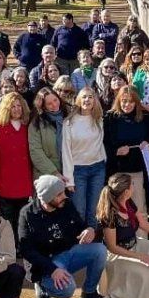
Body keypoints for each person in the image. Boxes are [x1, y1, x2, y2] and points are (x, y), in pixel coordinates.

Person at [19, 174, 107, 298]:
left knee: (100, 250)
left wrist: (88, 229)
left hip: (67, 253)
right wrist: (52, 269)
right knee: (67, 290)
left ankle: (89, 293)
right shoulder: (28, 214)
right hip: (46, 262)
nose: (64, 196)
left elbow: (79, 225)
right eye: (59, 194)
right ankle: (43, 286)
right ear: (47, 197)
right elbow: (26, 250)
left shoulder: (66, 204)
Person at [0, 92, 34, 243]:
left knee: (22, 217)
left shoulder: (28, 127)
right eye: (13, 106)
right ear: (6, 108)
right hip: (5, 183)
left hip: (24, 182)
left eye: (19, 106)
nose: (17, 109)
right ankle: (8, 246)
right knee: (7, 219)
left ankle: (20, 245)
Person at [104, 85, 149, 212]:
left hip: (137, 170)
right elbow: (104, 144)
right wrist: (116, 151)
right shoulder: (110, 118)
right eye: (124, 101)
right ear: (119, 101)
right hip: (117, 171)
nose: (127, 104)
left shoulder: (146, 117)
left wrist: (147, 143)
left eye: (131, 101)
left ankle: (141, 233)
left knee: (139, 208)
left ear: (136, 102)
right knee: (117, 208)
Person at [61, 87, 106, 227]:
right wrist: (69, 180)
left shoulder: (98, 119)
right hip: (78, 170)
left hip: (97, 169)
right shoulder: (69, 122)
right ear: (79, 100)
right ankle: (78, 244)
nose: (87, 100)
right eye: (84, 97)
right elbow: (66, 151)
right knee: (79, 210)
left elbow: (100, 143)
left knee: (94, 210)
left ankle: (92, 242)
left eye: (90, 97)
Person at [29, 87, 67, 179]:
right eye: (49, 104)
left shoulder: (69, 116)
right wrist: (54, 172)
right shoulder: (36, 123)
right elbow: (36, 151)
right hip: (47, 175)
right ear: (43, 106)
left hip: (69, 172)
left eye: (55, 100)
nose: (54, 105)